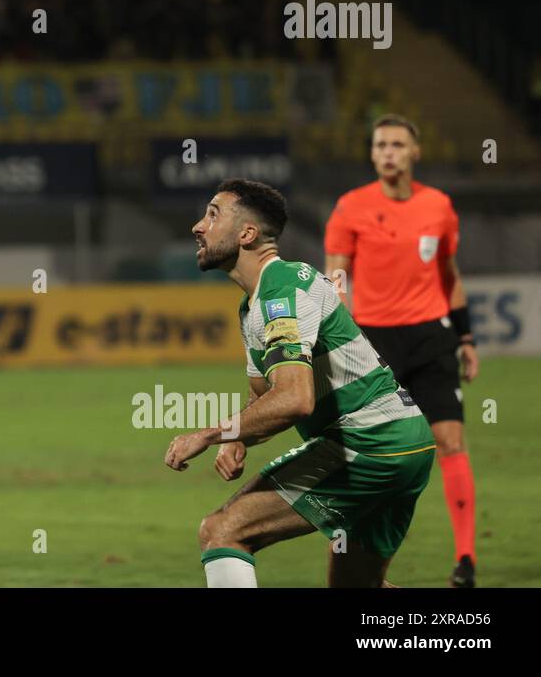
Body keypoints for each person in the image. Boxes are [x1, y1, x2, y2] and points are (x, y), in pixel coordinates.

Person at [166, 179, 435, 588]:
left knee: (223, 531)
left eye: (213, 214)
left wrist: (207, 434)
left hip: (368, 444)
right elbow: (266, 395)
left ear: (248, 234)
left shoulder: (281, 291)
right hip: (406, 441)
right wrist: (238, 438)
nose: (198, 226)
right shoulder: (255, 304)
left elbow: (295, 400)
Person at [324, 114, 480, 587]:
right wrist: (343, 337)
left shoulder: (439, 206)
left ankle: (466, 561)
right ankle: (360, 562)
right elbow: (336, 278)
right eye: (380, 144)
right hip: (373, 343)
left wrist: (466, 338)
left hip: (432, 337)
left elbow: (449, 276)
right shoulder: (350, 208)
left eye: (397, 144)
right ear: (372, 154)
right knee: (369, 454)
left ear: (415, 152)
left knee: (451, 441)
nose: (389, 151)